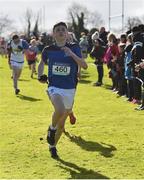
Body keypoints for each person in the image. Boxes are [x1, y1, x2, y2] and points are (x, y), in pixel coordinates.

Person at [38, 22, 88, 158]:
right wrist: (40, 75)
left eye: (63, 30)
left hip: (70, 89)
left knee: (62, 124)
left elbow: (84, 66)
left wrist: (71, 53)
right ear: (53, 34)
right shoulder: (48, 49)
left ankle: (52, 145)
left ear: (67, 34)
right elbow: (41, 63)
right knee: (59, 110)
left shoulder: (75, 47)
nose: (60, 32)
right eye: (58, 30)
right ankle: (51, 129)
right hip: (54, 87)